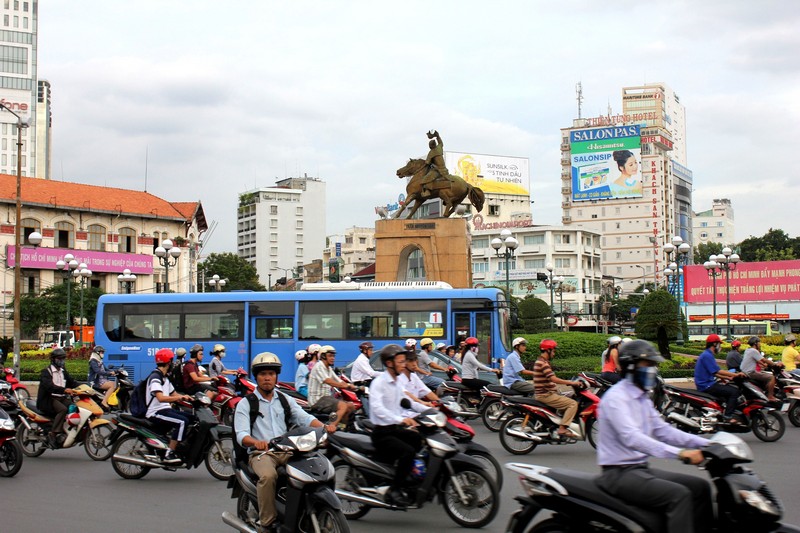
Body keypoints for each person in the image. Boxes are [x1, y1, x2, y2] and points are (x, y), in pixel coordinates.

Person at [597, 339, 712, 533]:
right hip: (618, 474)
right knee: (679, 495)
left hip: (640, 469)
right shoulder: (616, 398)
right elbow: (633, 438)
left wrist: (708, 444)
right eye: (647, 365)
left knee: (700, 487)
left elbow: (662, 430)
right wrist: (682, 453)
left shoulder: (641, 396)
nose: (652, 369)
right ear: (631, 366)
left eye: (653, 365)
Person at [234, 352, 334, 531]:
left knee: (315, 469)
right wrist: (256, 442)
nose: (267, 378)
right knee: (268, 476)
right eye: (263, 374)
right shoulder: (246, 403)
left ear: (276, 377)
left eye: (271, 374)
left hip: (287, 450)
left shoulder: (284, 399)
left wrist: (324, 428)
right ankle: (267, 522)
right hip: (262, 453)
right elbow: (241, 434)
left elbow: (304, 418)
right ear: (256, 377)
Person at [369, 344, 423, 506]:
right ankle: (395, 489)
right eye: (400, 361)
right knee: (408, 452)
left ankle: (404, 475)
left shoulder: (397, 382)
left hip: (395, 429)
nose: (403, 364)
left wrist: (431, 409)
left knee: (418, 440)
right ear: (389, 363)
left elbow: (408, 402)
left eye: (403, 361)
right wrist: (400, 419)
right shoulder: (379, 383)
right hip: (382, 433)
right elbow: (377, 408)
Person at [146, 348, 194, 464]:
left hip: (165, 409)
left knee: (192, 418)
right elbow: (161, 398)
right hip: (155, 412)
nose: (172, 364)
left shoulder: (165, 378)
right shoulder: (155, 378)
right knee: (182, 422)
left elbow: (175, 394)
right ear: (168, 362)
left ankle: (180, 444)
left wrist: (192, 400)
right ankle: (170, 453)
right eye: (171, 361)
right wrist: (179, 397)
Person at [533, 339, 582, 439]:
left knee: (568, 396)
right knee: (572, 404)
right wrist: (571, 383)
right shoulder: (543, 363)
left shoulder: (541, 361)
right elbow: (553, 379)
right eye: (554, 351)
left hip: (547, 393)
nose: (554, 354)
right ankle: (562, 428)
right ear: (548, 350)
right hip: (546, 395)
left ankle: (558, 423)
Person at [694, 334, 746, 424]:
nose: (720, 346)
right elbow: (718, 371)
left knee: (727, 388)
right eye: (719, 344)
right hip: (706, 385)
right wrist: (735, 374)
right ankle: (728, 416)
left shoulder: (707, 354)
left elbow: (714, 373)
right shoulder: (707, 355)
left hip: (707, 383)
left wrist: (728, 377)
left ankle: (722, 412)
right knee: (734, 392)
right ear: (714, 344)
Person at [37, 348, 79, 447]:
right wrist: (64, 390)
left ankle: (66, 429)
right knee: (63, 410)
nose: (61, 361)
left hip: (61, 398)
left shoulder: (63, 372)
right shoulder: (46, 372)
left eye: (63, 358)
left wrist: (85, 388)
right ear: (53, 359)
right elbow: (49, 387)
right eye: (59, 359)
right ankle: (54, 433)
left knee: (75, 407)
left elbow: (72, 382)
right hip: (49, 399)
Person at [307, 345, 357, 427]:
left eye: (333, 356)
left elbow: (339, 380)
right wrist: (344, 386)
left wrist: (352, 386)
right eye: (330, 356)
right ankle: (331, 428)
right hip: (317, 400)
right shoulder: (319, 366)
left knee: (350, 406)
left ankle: (347, 429)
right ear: (323, 356)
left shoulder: (329, 369)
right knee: (343, 406)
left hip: (326, 398)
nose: (333, 358)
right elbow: (328, 381)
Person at [741, 336, 781, 401]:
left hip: (744, 371)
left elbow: (758, 360)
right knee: (771, 377)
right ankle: (770, 396)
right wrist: (775, 365)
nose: (760, 344)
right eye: (759, 343)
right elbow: (764, 359)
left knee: (764, 374)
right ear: (755, 343)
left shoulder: (748, 350)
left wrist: (764, 365)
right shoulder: (754, 351)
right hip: (750, 372)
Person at [420, 130, 449, 197]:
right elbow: (440, 142)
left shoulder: (431, 152)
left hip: (438, 170)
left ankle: (427, 191)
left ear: (430, 146)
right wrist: (438, 136)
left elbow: (427, 163)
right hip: (445, 169)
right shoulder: (439, 148)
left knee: (425, 178)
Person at [88, 345, 115, 410]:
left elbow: (105, 370)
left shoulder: (99, 361)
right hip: (96, 381)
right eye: (101, 352)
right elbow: (98, 371)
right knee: (113, 385)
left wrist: (116, 371)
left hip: (102, 380)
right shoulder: (93, 361)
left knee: (115, 384)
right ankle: (104, 401)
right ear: (97, 353)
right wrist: (109, 373)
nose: (103, 354)